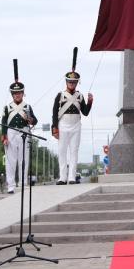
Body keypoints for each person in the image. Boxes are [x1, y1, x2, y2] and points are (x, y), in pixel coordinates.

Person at [52, 49, 91, 184]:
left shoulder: (79, 96)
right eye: (70, 82)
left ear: (77, 83)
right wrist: (54, 128)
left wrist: (90, 102)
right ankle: (62, 177)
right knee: (62, 152)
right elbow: (54, 113)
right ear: (66, 82)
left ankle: (72, 177)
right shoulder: (60, 95)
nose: (72, 84)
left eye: (74, 82)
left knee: (74, 151)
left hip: (76, 126)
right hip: (63, 125)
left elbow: (85, 112)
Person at [3, 80, 37, 192]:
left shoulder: (27, 106)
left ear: (23, 93)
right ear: (12, 94)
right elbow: (3, 123)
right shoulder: (7, 107)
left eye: (19, 93)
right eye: (15, 93)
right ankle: (11, 185)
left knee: (24, 159)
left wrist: (30, 119)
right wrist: (4, 137)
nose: (17, 95)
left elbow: (35, 121)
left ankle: (23, 183)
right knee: (10, 160)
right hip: (11, 132)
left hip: (24, 132)